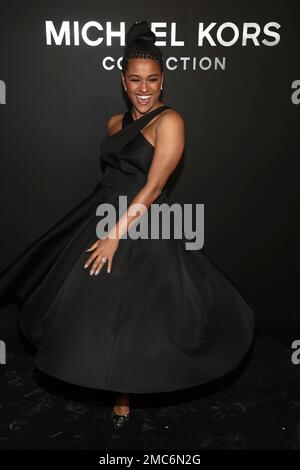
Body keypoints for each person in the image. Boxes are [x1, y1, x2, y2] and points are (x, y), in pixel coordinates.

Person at [0, 21, 255, 431]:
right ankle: (96, 373)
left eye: (151, 80)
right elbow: (111, 175)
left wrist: (115, 235)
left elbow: (154, 186)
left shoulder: (169, 121)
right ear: (123, 80)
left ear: (162, 80)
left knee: (138, 312)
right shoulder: (114, 123)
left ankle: (124, 393)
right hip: (101, 211)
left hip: (143, 221)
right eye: (135, 79)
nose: (143, 87)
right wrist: (99, 225)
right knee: (86, 300)